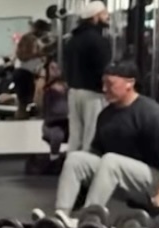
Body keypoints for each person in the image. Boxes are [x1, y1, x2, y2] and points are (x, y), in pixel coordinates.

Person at [54, 61, 159, 222]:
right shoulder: (105, 116)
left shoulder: (151, 113)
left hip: (154, 182)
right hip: (119, 176)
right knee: (76, 158)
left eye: (110, 84)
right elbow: (96, 154)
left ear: (130, 83)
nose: (104, 89)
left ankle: (87, 219)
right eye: (103, 83)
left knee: (111, 161)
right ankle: (61, 216)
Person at [63, 1, 111, 150]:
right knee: (91, 135)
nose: (107, 16)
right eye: (104, 13)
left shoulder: (72, 40)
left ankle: (72, 162)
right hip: (93, 94)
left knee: (75, 136)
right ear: (95, 17)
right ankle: (86, 163)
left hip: (73, 92)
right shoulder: (99, 41)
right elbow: (103, 68)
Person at [13, 19, 52, 119]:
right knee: (23, 101)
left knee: (29, 100)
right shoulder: (28, 39)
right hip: (24, 71)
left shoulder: (38, 39)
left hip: (31, 72)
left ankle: (24, 116)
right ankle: (21, 119)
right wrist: (39, 54)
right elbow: (22, 55)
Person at [37, 58, 69, 161]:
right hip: (52, 125)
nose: (55, 71)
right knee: (57, 134)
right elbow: (39, 105)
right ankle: (54, 159)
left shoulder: (69, 87)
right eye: (52, 68)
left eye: (57, 68)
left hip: (68, 123)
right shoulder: (45, 88)